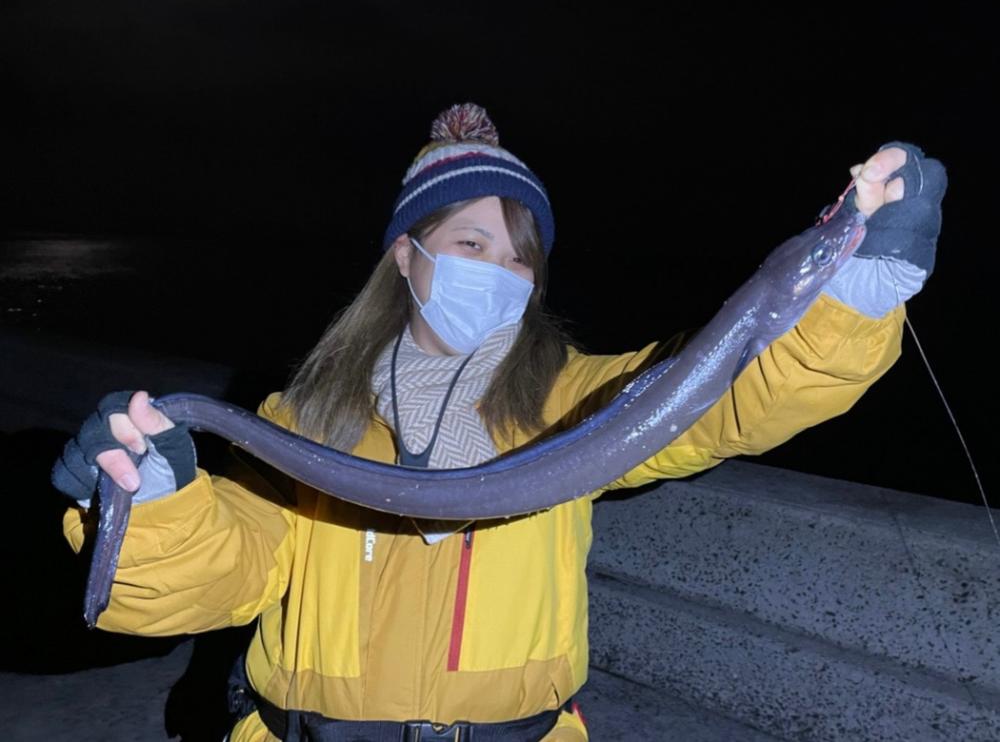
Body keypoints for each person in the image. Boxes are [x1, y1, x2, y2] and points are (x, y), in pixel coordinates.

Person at [54, 103, 946, 741]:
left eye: (521, 256)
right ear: (405, 257)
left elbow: (739, 399)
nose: (501, 269)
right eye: (471, 245)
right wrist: (160, 501)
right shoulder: (303, 417)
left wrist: (849, 296)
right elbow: (229, 580)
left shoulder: (572, 400)